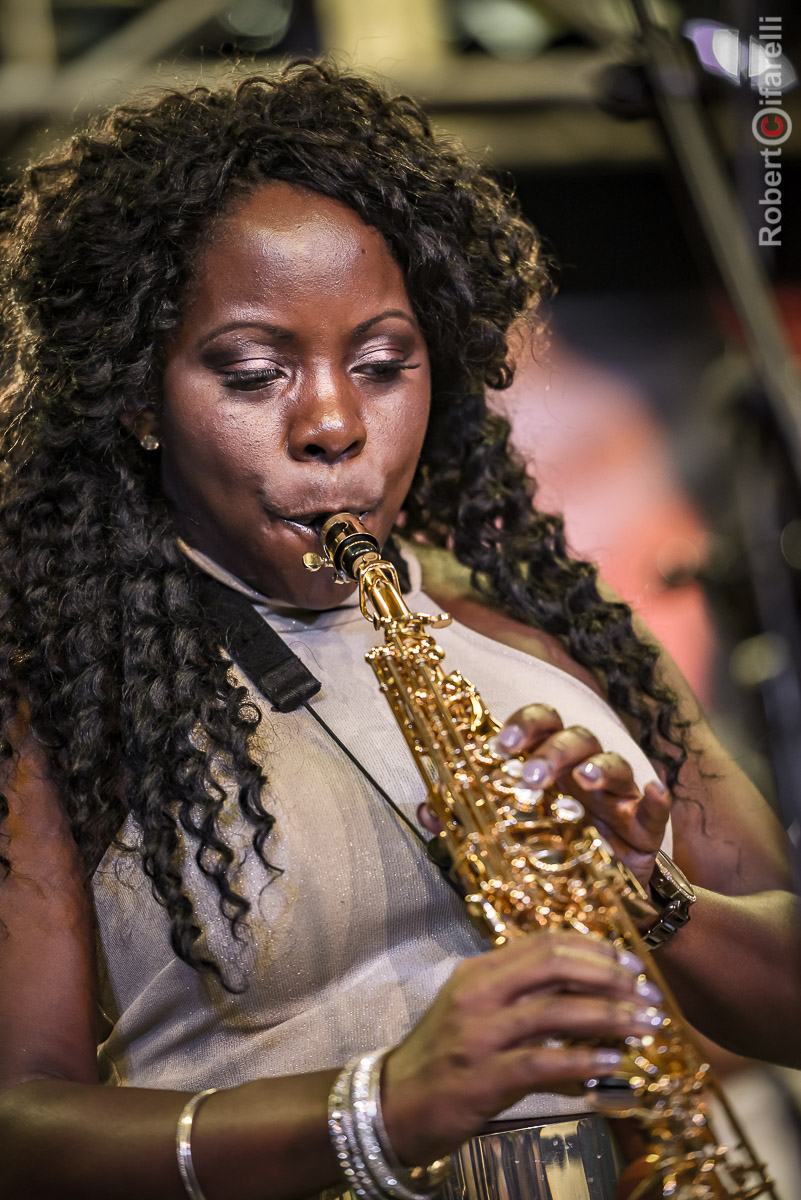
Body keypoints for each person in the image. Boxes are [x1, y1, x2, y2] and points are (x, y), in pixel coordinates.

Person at [0, 59, 797, 1200]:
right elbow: (19, 1130)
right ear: (134, 393)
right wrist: (376, 1109)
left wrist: (656, 896)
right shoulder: (59, 686)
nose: (331, 424)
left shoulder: (553, 634)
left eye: (382, 365)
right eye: (254, 371)